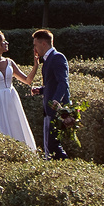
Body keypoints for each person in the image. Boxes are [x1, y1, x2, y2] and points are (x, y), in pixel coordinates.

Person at [30, 27, 71, 157]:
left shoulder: (57, 57)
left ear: (43, 43)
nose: (34, 49)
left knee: (53, 146)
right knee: (49, 146)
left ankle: (66, 166)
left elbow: (63, 82)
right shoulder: (48, 59)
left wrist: (56, 100)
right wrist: (41, 89)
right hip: (49, 109)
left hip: (56, 109)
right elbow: (52, 83)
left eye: (35, 45)